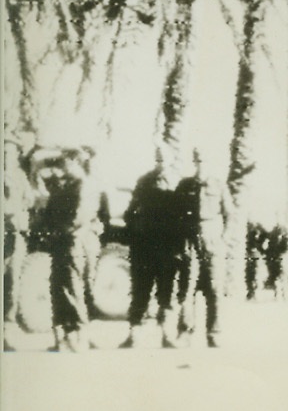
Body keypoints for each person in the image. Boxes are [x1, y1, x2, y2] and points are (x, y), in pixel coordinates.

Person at [41, 147, 106, 352]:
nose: (62, 167)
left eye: (66, 163)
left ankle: (80, 335)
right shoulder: (64, 186)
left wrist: (59, 230)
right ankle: (63, 336)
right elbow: (49, 213)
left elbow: (79, 217)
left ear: (76, 163)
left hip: (74, 241)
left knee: (74, 287)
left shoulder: (83, 186)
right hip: (62, 242)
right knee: (59, 287)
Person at [119, 148, 183, 348]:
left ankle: (166, 335)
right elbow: (129, 212)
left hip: (167, 247)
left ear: (171, 160)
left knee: (166, 292)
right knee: (140, 290)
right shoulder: (144, 181)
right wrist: (137, 231)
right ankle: (134, 334)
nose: (160, 163)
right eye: (157, 159)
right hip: (144, 246)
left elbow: (184, 216)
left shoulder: (178, 183)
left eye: (164, 159)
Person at [174, 147, 232, 348]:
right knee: (186, 288)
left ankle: (214, 333)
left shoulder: (218, 185)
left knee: (215, 288)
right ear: (194, 162)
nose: (200, 165)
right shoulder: (185, 185)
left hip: (213, 239)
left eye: (204, 161)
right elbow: (176, 214)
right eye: (197, 161)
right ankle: (185, 331)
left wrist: (224, 237)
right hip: (190, 240)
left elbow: (230, 214)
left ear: (210, 163)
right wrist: (180, 240)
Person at [3, 133, 35, 350]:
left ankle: (8, 327)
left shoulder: (20, 176)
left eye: (11, 152)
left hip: (16, 237)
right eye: (4, 152)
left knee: (13, 282)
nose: (7, 155)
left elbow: (30, 200)